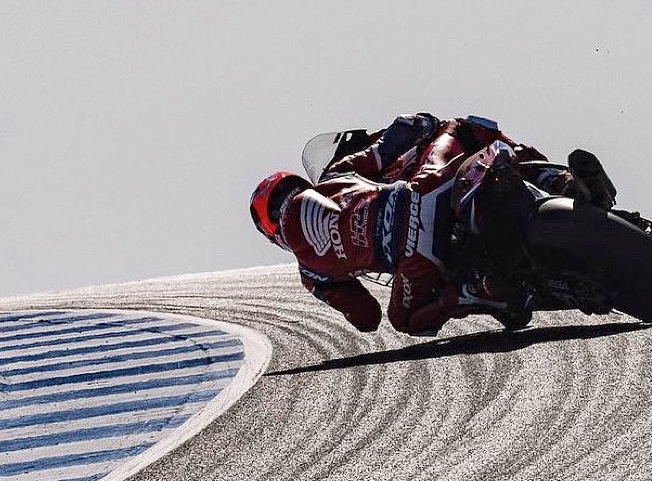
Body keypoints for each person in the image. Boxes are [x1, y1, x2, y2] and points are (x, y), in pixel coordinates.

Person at [248, 113, 617, 336]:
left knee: (405, 319)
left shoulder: (312, 274)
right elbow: (397, 138)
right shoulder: (337, 173)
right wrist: (420, 125)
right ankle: (566, 184)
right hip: (423, 192)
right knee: (467, 131)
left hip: (414, 258)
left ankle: (481, 291)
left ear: (272, 232)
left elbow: (367, 318)